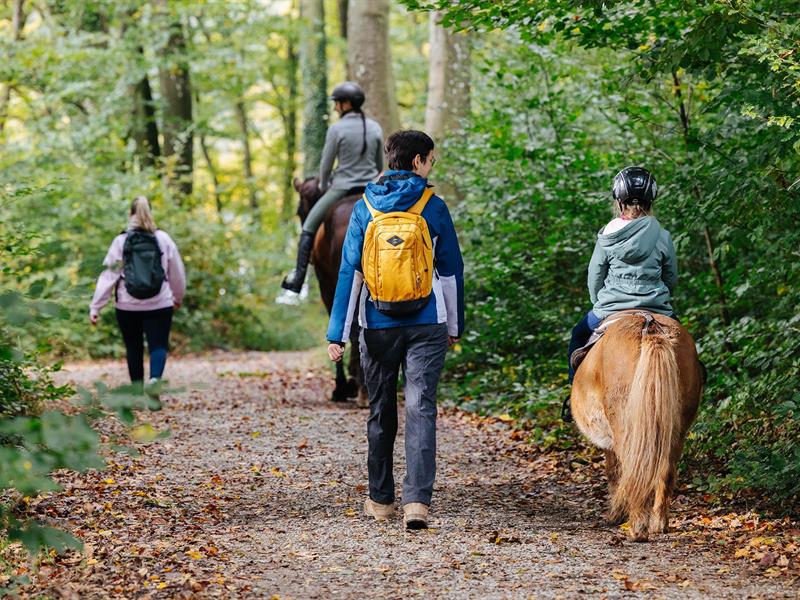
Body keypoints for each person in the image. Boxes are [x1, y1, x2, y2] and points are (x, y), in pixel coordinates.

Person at [326, 130, 464, 530]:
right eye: (431, 159)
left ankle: (381, 500)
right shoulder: (432, 205)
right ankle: (417, 502)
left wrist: (338, 332)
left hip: (377, 323)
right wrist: (454, 325)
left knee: (381, 407)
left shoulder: (365, 206)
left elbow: (350, 273)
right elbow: (452, 272)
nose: (431, 165)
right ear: (418, 160)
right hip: (427, 322)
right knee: (421, 407)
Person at [564, 166, 678, 419]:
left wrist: (599, 303)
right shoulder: (662, 235)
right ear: (651, 199)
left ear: (618, 201)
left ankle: (572, 396)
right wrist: (660, 299)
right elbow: (670, 277)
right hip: (656, 307)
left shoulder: (608, 235)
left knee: (578, 334)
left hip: (611, 308)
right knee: (684, 344)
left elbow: (595, 275)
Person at [280, 81, 384, 294]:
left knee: (309, 227)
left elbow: (326, 166)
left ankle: (297, 278)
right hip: (370, 189)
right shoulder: (375, 127)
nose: (335, 107)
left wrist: (324, 186)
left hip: (341, 188)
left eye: (337, 103)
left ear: (346, 104)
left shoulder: (336, 129)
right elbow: (380, 166)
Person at [89, 196, 186, 406]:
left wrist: (96, 306)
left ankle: (136, 395)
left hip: (127, 304)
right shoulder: (163, 239)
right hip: (160, 302)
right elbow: (176, 272)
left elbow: (108, 276)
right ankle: (154, 381)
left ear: (130, 214)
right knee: (158, 345)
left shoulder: (120, 241)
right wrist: (177, 297)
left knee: (133, 347)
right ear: (150, 212)